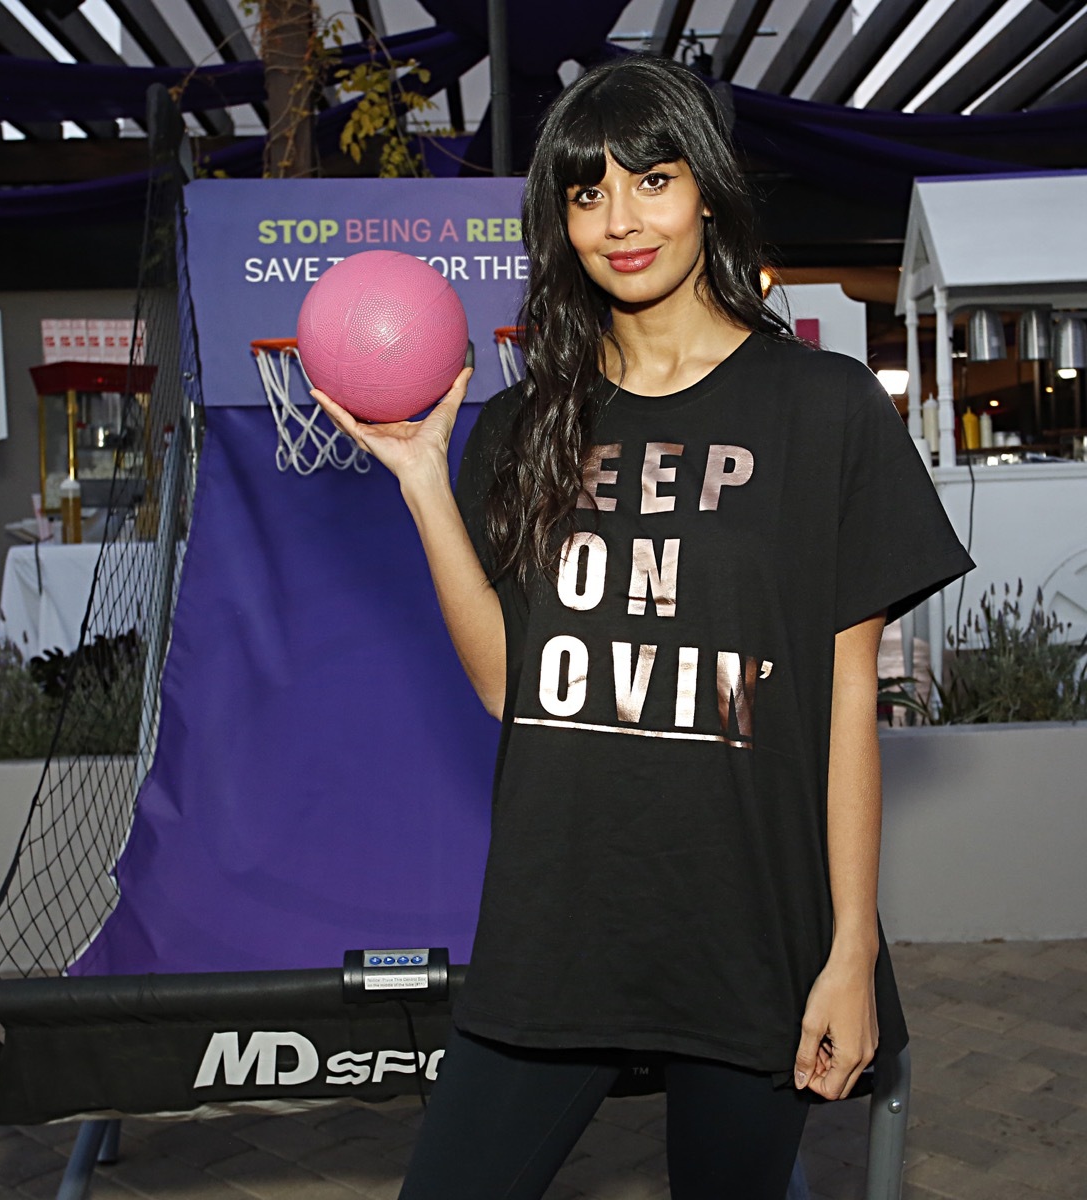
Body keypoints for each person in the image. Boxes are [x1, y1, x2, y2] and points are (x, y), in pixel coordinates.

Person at [314, 53, 973, 1200]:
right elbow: (503, 685)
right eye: (585, 193)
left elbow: (847, 707)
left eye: (651, 180)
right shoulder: (524, 423)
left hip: (749, 936)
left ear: (706, 191)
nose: (619, 221)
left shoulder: (823, 413)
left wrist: (852, 950)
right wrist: (424, 478)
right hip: (558, 921)